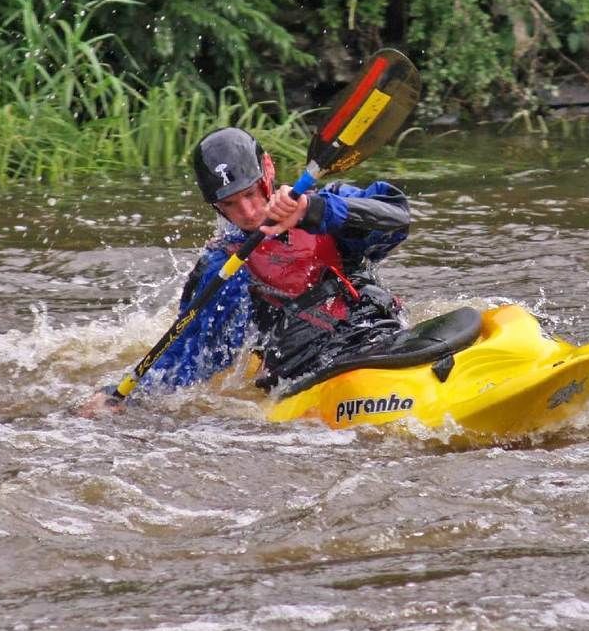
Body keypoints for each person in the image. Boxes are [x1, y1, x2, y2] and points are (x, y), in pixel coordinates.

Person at [79, 126, 410, 417]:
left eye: (251, 194)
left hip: (386, 337)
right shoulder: (224, 268)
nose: (248, 212)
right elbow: (190, 356)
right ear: (215, 207)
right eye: (231, 205)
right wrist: (126, 396)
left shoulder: (326, 205)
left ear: (267, 170)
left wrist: (313, 210)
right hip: (320, 375)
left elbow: (397, 218)